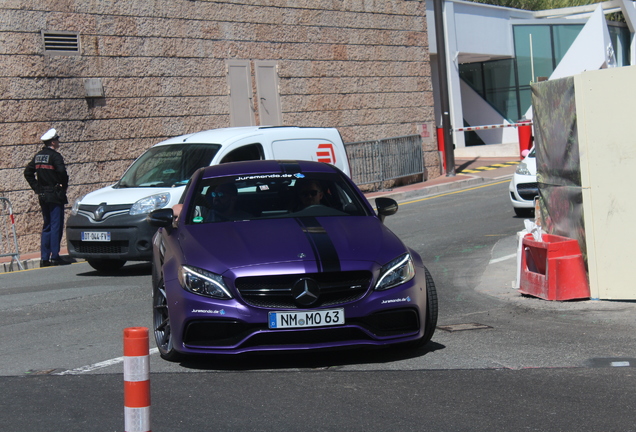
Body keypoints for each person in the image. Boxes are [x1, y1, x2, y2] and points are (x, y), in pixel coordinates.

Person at [24, 128, 71, 267]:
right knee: (56, 225)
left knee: (47, 226)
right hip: (55, 194)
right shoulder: (55, 156)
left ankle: (44, 258)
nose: (58, 142)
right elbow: (62, 172)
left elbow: (28, 173)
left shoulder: (38, 156)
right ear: (52, 141)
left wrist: (37, 188)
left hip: (43, 195)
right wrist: (64, 185)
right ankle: (55, 256)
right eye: (57, 140)